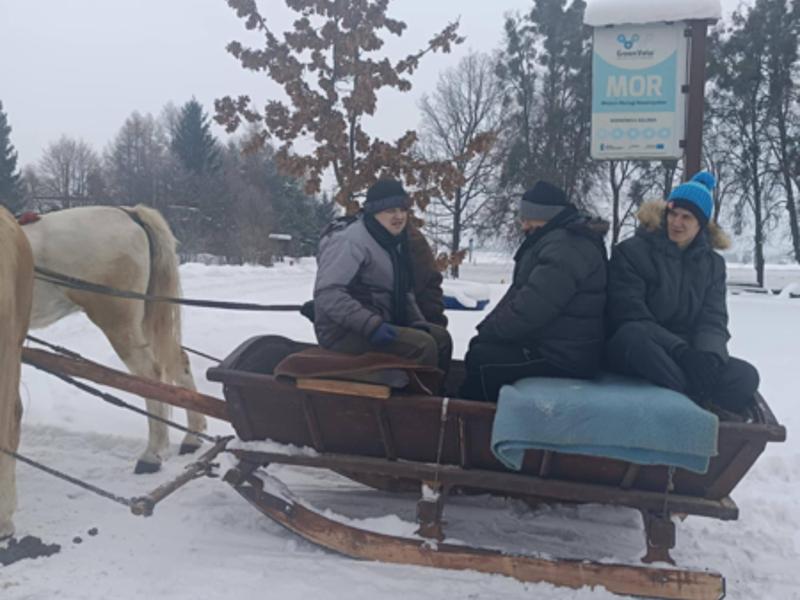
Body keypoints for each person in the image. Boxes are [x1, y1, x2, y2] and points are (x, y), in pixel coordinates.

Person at [605, 171, 759, 415]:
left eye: (686, 217)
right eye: (673, 213)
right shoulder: (631, 252)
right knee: (633, 336)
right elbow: (630, 315)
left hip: (686, 353)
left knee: (746, 376)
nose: (676, 223)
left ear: (701, 225)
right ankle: (695, 401)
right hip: (646, 348)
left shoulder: (713, 265)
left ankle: (692, 392)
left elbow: (713, 319)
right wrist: (681, 352)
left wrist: (709, 358)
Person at [458, 181, 608, 402]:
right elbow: (522, 296)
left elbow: (532, 308)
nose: (523, 225)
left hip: (564, 355)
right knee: (482, 348)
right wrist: (489, 330)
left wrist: (491, 331)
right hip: (558, 345)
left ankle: (475, 426)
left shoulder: (566, 247)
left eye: (528, 218)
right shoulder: (556, 240)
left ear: (546, 216)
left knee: (483, 359)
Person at [313, 179, 452, 373]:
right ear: (373, 212)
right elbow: (328, 293)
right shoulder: (350, 241)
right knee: (423, 346)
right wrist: (371, 325)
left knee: (440, 339)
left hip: (381, 323)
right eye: (390, 211)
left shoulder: (391, 241)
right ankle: (419, 401)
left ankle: (439, 397)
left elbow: (403, 292)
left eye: (403, 209)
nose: (399, 216)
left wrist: (418, 323)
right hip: (343, 331)